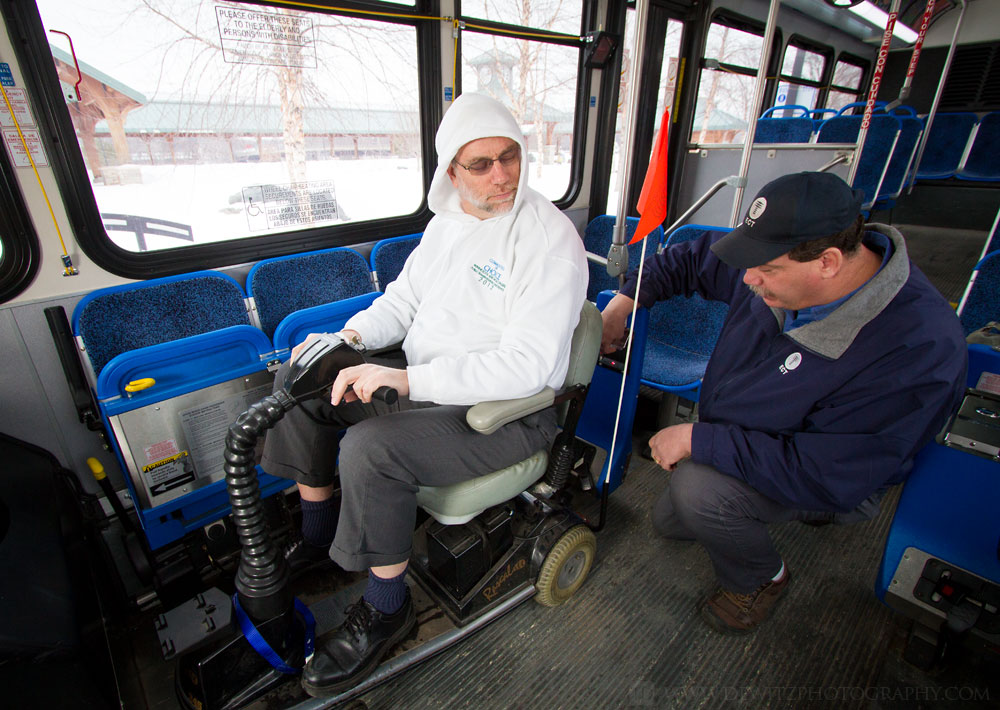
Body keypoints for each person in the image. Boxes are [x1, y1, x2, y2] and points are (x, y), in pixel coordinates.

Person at [260, 92, 588, 696]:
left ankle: (388, 608)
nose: (502, 175)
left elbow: (529, 365)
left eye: (510, 157)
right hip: (431, 385)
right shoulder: (448, 224)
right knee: (302, 383)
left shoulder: (547, 240)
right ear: (451, 174)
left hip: (509, 413)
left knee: (370, 449)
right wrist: (348, 339)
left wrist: (406, 380)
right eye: (482, 164)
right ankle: (318, 537)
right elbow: (403, 303)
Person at [601, 171, 967, 634]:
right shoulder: (778, 258)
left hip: (835, 477)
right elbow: (688, 259)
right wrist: (623, 302)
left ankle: (762, 577)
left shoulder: (918, 351)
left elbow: (828, 474)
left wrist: (701, 440)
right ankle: (725, 505)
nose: (748, 278)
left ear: (828, 263)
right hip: (743, 432)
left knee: (700, 492)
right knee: (671, 521)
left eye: (766, 271)